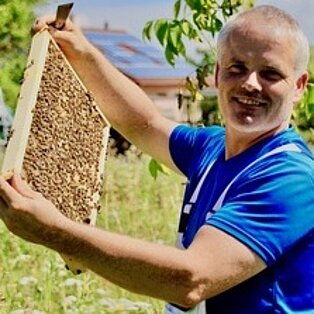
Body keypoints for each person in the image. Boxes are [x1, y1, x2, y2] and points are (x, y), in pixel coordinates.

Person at [0, 5, 313, 313]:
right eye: (237, 68)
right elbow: (145, 124)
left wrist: (56, 232)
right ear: (217, 74)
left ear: (299, 86)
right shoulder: (213, 147)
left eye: (270, 73)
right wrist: (82, 52)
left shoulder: (291, 178)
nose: (250, 83)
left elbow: (191, 280)